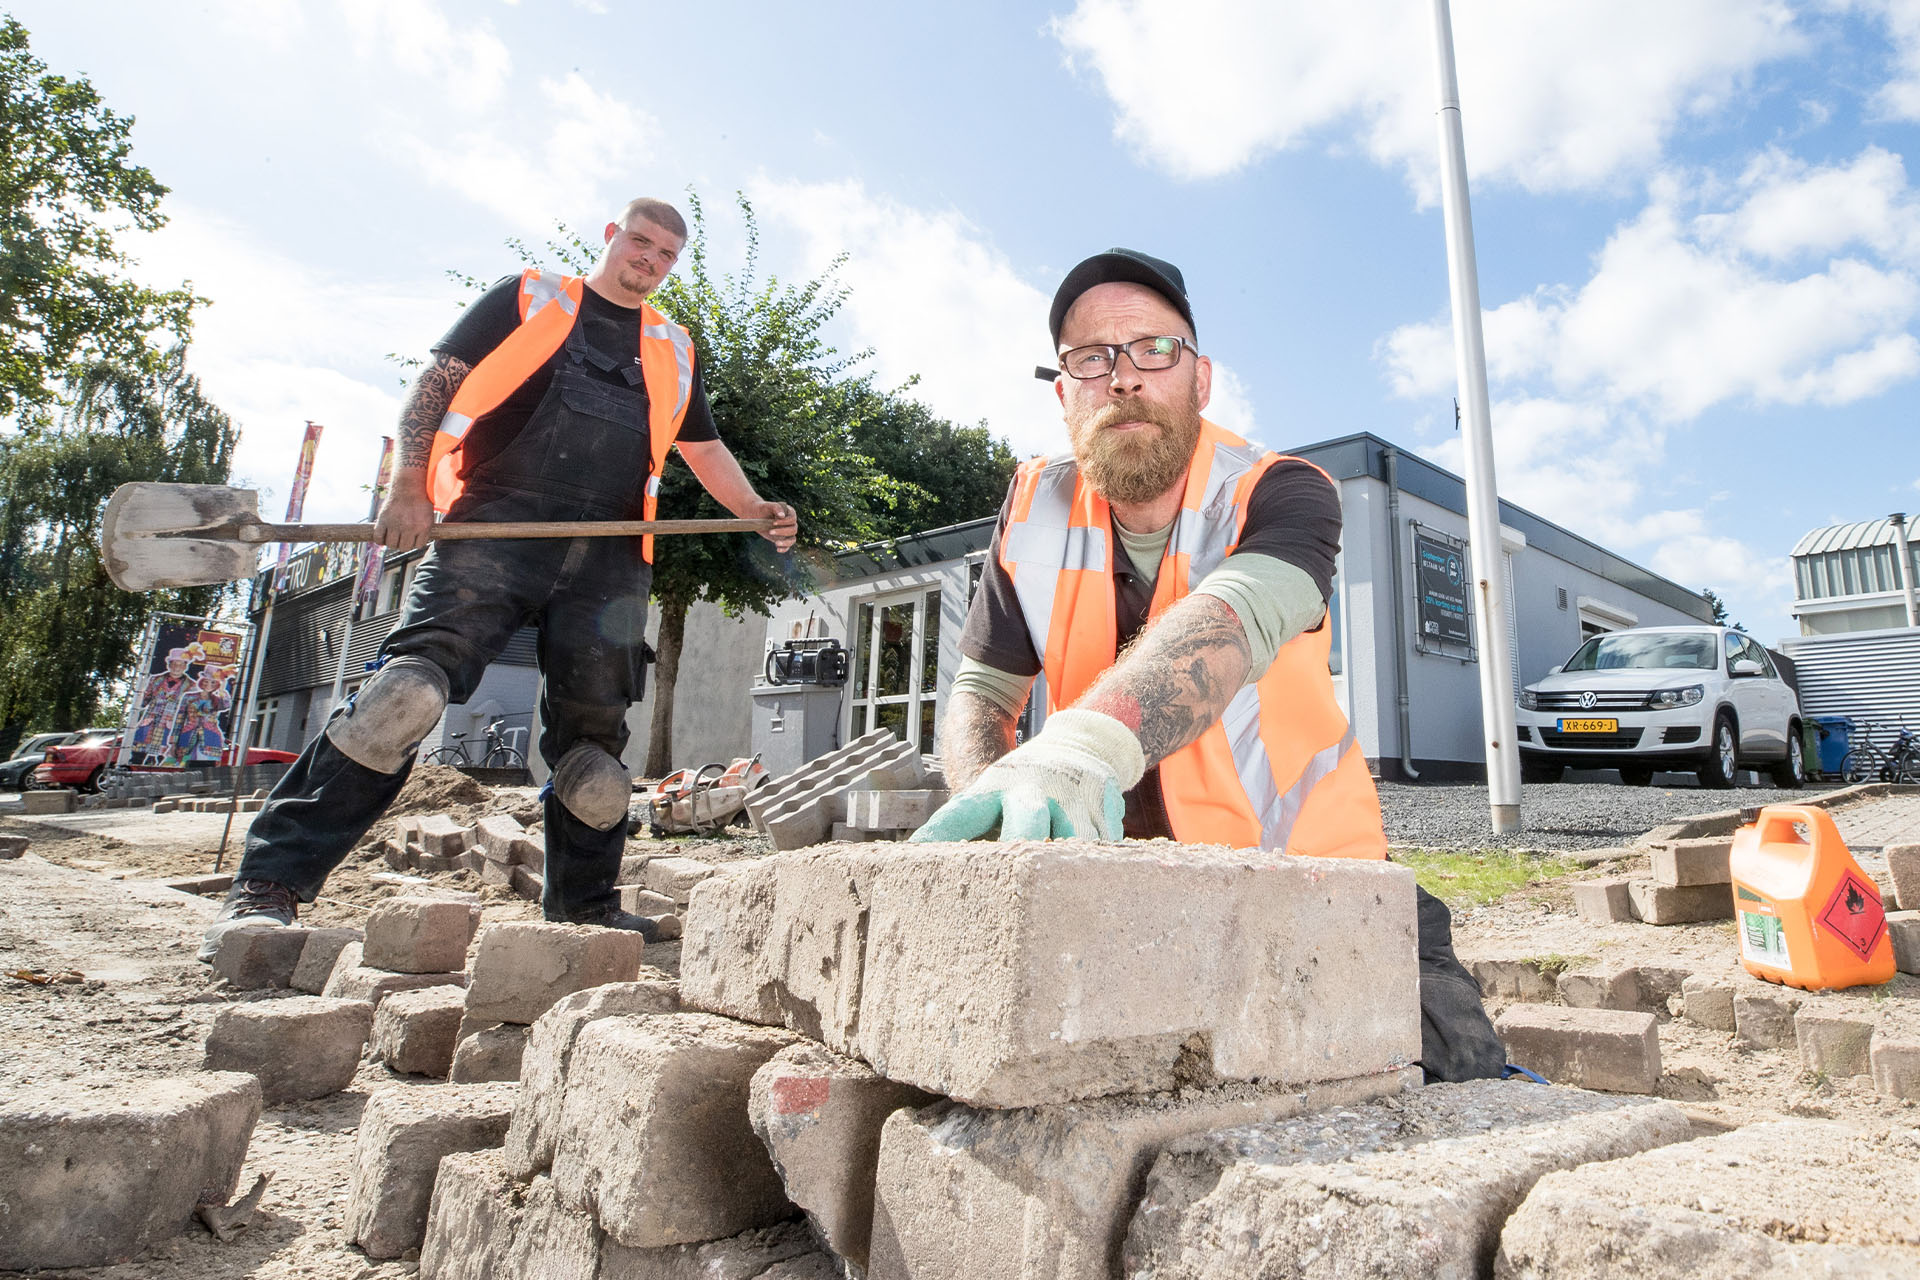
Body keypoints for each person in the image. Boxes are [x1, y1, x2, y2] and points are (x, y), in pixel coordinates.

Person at [913, 247, 1504, 1082]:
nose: (1123, 378)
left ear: (1202, 379)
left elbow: (1230, 623)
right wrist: (990, 804)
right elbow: (983, 687)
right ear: (1064, 392)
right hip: (1113, 893)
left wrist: (1075, 750)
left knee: (1448, 1080)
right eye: (1092, 358)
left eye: (1154, 350)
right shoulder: (1032, 510)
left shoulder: (1282, 492)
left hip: (1316, 886)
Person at [201, 196, 797, 958]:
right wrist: (408, 484)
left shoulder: (674, 346)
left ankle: (584, 909)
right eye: (639, 243)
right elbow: (438, 381)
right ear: (611, 236)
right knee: (402, 698)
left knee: (596, 758)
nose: (648, 261)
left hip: (609, 556)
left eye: (665, 255)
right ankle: (269, 885)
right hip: (493, 528)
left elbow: (703, 447)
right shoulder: (527, 297)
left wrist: (753, 508)